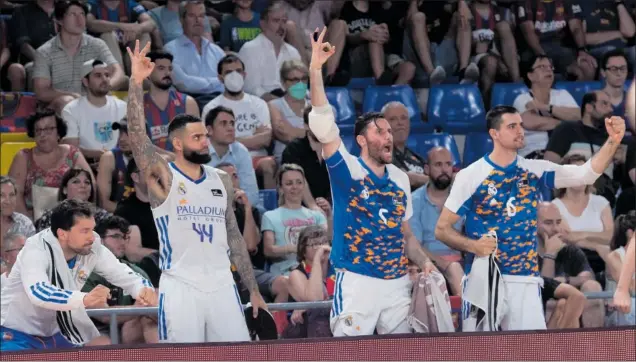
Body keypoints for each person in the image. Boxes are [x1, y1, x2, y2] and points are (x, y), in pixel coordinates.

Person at [434, 105, 626, 331]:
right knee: (480, 352)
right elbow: (442, 229)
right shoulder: (471, 175)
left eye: (521, 125)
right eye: (512, 126)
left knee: (531, 351)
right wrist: (473, 245)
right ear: (494, 134)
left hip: (525, 279)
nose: (520, 131)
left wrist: (613, 140)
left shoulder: (534, 169)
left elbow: (585, 174)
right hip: (483, 277)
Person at [124, 40, 267, 343]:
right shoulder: (162, 176)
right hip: (181, 287)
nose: (205, 141)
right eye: (198, 137)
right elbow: (137, 136)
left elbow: (234, 237)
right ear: (177, 144)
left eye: (205, 135)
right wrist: (136, 82)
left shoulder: (221, 179)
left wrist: (253, 288)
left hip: (222, 286)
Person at [307, 28, 436, 337]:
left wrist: (426, 262)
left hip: (396, 282)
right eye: (380, 131)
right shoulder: (347, 168)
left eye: (390, 131)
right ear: (362, 140)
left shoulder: (401, 179)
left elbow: (405, 233)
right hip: (356, 280)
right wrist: (315, 69)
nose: (388, 135)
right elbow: (324, 125)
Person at [0, 199, 156, 351]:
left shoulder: (91, 244)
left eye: (92, 228)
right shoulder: (35, 250)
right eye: (84, 231)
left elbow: (121, 272)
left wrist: (143, 289)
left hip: (56, 333)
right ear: (62, 234)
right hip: (16, 333)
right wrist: (83, 299)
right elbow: (39, 292)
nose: (92, 236)